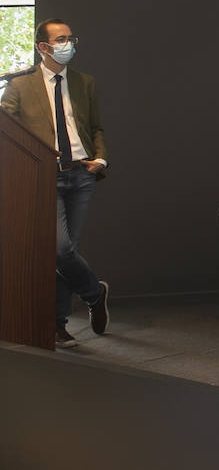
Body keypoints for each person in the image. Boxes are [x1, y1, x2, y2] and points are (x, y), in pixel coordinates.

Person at [1, 18, 111, 348]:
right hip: (42, 175)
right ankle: (95, 292)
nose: (69, 44)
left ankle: (58, 325)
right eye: (61, 39)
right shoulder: (21, 85)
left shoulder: (84, 82)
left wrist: (101, 159)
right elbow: (5, 126)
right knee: (60, 249)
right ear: (43, 47)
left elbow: (95, 128)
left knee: (66, 253)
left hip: (81, 173)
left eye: (70, 38)